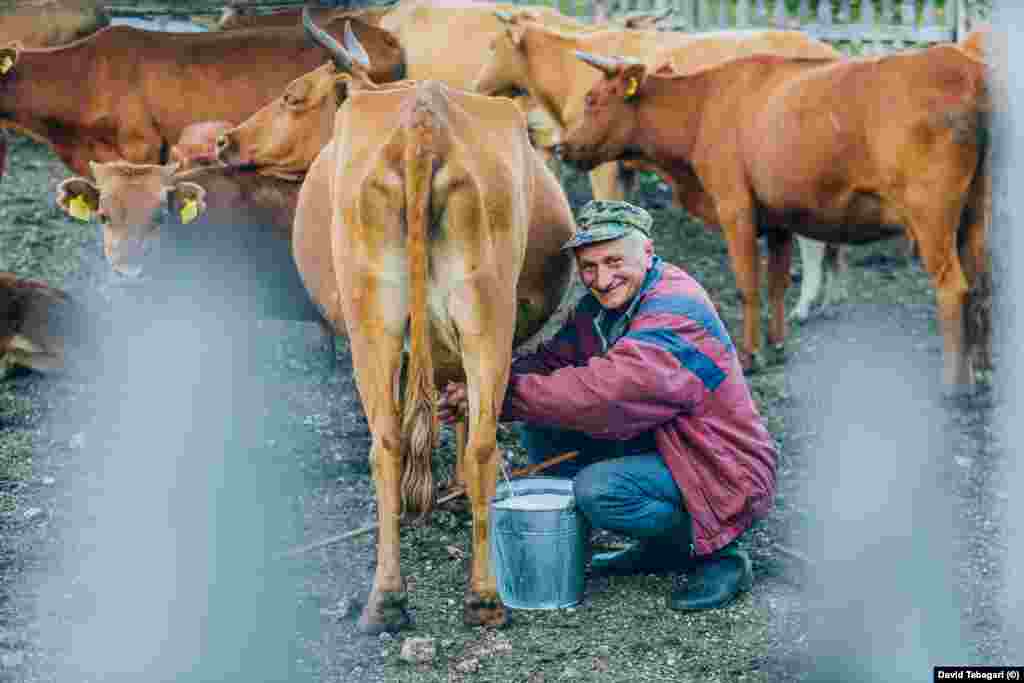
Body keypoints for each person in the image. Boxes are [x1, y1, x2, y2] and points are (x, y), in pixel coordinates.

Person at [438, 199, 778, 611]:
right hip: (671, 448)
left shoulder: (676, 309)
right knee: (542, 425)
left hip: (723, 468)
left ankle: (720, 553)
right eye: (589, 267)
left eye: (614, 261)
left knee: (599, 490)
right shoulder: (603, 308)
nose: (602, 278)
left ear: (647, 252)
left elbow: (608, 394)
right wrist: (480, 385)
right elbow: (554, 358)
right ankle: (660, 544)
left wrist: (498, 399)